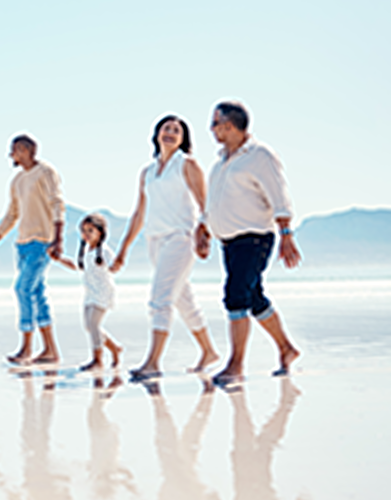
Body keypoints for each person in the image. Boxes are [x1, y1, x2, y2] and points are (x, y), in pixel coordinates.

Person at [195, 100, 301, 385]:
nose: (211, 129)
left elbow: (279, 195)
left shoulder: (260, 155)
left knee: (235, 295)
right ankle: (287, 349)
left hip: (254, 238)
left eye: (214, 123)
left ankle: (236, 365)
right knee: (253, 298)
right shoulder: (220, 162)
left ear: (229, 125)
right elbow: (214, 201)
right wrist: (204, 228)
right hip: (229, 242)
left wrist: (286, 234)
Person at [111, 114, 219, 381]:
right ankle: (209, 352)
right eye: (166, 128)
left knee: (160, 299)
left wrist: (205, 232)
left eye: (177, 131)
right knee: (183, 300)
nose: (170, 133)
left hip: (181, 238)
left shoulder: (187, 164)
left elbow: (205, 203)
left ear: (183, 139)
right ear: (157, 134)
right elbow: (139, 213)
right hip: (155, 240)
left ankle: (153, 362)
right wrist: (123, 249)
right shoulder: (147, 172)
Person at [0, 133, 65, 364]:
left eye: (15, 149)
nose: (12, 154)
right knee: (37, 294)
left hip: (42, 241)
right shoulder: (17, 181)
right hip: (22, 245)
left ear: (28, 149)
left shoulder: (46, 172)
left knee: (22, 289)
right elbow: (11, 215)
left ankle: (26, 349)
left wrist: (58, 239)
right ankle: (50, 351)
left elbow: (57, 203)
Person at [53, 213, 123, 371]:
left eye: (90, 230)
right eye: (84, 231)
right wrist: (59, 259)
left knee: (94, 324)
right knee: (90, 326)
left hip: (103, 293)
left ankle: (97, 360)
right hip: (90, 293)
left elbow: (114, 265)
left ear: (100, 232)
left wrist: (116, 266)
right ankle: (114, 348)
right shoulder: (85, 251)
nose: (86, 234)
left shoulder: (104, 251)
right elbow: (77, 266)